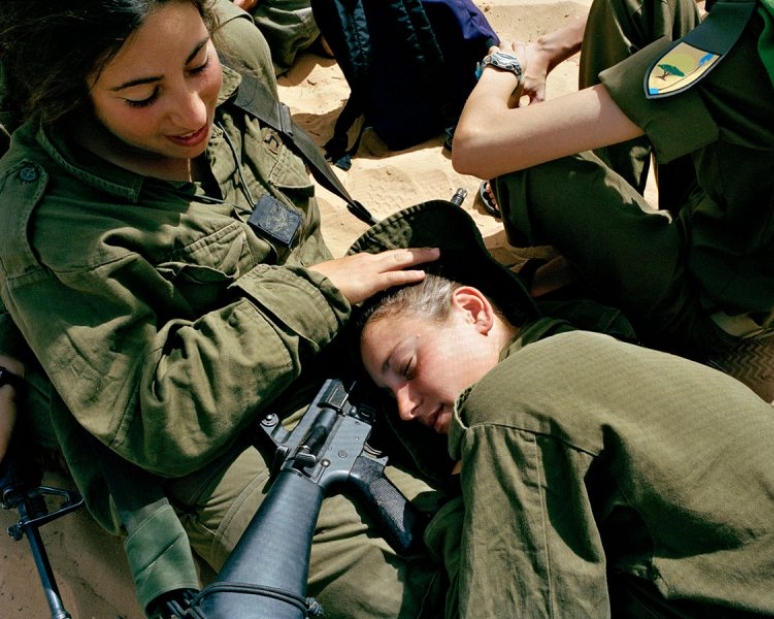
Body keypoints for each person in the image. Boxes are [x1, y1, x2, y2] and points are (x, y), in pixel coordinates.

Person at [0, 1, 446, 617]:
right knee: (416, 597)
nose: (191, 112)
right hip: (219, 441)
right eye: (140, 96)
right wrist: (313, 292)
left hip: (334, 338)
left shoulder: (238, 53)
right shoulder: (57, 224)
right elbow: (156, 419)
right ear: (74, 93)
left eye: (197, 64)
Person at [350, 201, 774, 619]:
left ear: (474, 312)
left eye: (407, 367)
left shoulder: (508, 401)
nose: (406, 408)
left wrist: (448, 516)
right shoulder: (586, 353)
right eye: (391, 395)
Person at [452, 0, 774, 403]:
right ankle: (601, 227)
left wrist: (506, 64)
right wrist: (550, 46)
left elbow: (475, 145)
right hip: (753, 236)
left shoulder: (753, 53)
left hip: (707, 306)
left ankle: (589, 252)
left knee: (526, 163)